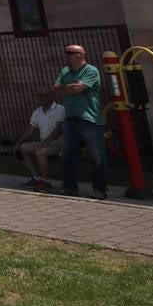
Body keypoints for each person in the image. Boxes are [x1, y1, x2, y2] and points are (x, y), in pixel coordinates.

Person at [54, 44, 107, 199]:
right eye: (66, 52)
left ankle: (100, 189)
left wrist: (69, 88)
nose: (67, 55)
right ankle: (70, 187)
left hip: (90, 119)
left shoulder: (90, 70)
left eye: (71, 52)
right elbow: (56, 88)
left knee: (96, 156)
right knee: (69, 154)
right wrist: (68, 88)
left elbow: (78, 88)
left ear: (81, 54)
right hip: (71, 118)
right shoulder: (65, 71)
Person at [14, 89, 66, 190]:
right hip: (44, 143)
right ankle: (36, 178)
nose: (39, 98)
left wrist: (45, 143)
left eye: (42, 95)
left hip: (58, 143)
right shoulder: (37, 112)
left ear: (50, 97)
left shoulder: (61, 109)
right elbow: (30, 130)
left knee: (40, 152)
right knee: (21, 148)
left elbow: (59, 129)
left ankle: (45, 182)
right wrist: (18, 142)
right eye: (38, 96)